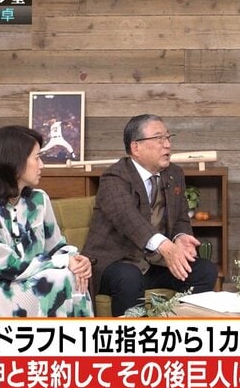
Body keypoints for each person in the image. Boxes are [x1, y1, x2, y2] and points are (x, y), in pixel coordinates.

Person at [0, 125, 93, 388]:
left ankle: (67, 386)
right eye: (37, 158)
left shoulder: (39, 200)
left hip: (28, 285)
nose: (42, 165)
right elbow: (9, 267)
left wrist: (76, 259)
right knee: (57, 280)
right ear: (14, 162)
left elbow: (57, 246)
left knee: (70, 275)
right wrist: (61, 262)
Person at [83, 114, 218, 316]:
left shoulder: (174, 174)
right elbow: (128, 219)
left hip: (154, 264)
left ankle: (178, 327)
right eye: (158, 138)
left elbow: (181, 217)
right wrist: (166, 247)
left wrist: (180, 238)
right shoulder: (115, 176)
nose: (167, 145)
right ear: (136, 147)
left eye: (168, 137)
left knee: (204, 270)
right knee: (129, 276)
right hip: (117, 263)